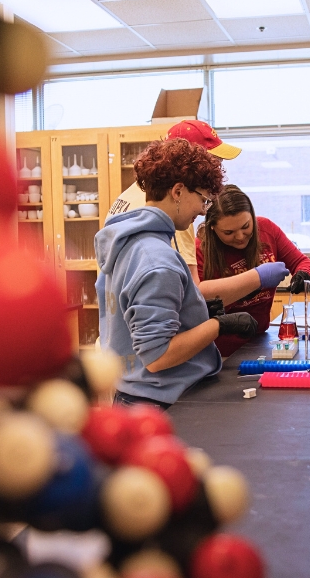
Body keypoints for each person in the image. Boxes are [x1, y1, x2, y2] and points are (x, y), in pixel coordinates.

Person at [95, 139, 257, 409]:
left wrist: (192, 310)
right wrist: (219, 325)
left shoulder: (128, 242)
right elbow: (158, 355)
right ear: (179, 191)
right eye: (203, 200)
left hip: (132, 391)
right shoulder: (156, 258)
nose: (204, 211)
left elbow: (132, 314)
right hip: (157, 401)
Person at [107, 119, 241, 281]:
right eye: (215, 162)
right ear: (192, 164)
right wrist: (257, 278)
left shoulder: (134, 193)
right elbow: (189, 287)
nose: (217, 170)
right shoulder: (173, 211)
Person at [196, 185, 310, 356]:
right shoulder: (201, 249)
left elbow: (303, 262)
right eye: (229, 232)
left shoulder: (266, 229)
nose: (239, 236)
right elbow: (198, 298)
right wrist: (248, 284)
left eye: (245, 226)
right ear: (213, 228)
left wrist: (303, 274)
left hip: (259, 341)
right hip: (219, 352)